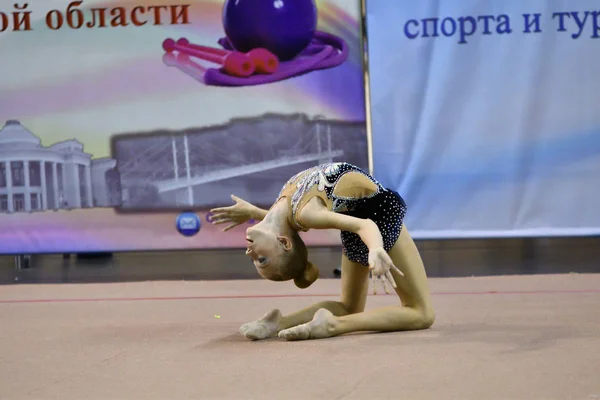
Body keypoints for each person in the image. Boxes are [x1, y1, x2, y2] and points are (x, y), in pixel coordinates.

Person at [210, 162, 435, 341]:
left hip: (362, 217)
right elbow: (365, 226)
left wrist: (252, 211)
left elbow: (283, 223)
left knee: (349, 306)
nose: (249, 253)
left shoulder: (284, 212)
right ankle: (332, 325)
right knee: (421, 313)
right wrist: (375, 248)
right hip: (377, 217)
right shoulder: (304, 216)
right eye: (261, 259)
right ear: (284, 243)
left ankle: (279, 322)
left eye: (258, 260)